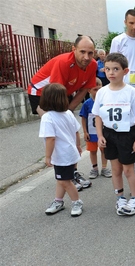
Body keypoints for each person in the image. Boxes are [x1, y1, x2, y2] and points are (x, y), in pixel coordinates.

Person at [27, 35, 96, 190]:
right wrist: (64, 113)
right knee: (57, 132)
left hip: (63, 92)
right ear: (74, 50)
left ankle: (73, 173)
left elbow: (85, 89)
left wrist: (69, 110)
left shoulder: (92, 65)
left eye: (90, 53)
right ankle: (65, 176)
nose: (86, 57)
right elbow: (56, 93)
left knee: (70, 130)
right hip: (42, 93)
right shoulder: (64, 63)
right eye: (82, 52)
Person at [92, 53, 135, 216]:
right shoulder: (101, 92)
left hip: (127, 134)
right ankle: (120, 196)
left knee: (128, 169)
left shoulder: (132, 92)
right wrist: (100, 135)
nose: (111, 73)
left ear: (125, 71)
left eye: (116, 69)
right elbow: (98, 116)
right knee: (115, 169)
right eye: (107, 69)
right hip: (109, 134)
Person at [39, 83, 83, 217]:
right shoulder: (68, 113)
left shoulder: (47, 117)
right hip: (70, 152)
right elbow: (76, 132)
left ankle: (77, 202)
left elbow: (50, 139)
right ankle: (58, 201)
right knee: (61, 179)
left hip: (61, 155)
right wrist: (78, 146)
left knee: (65, 181)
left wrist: (47, 156)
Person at [79, 78, 112, 179]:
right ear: (89, 90)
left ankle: (104, 168)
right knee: (92, 151)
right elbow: (84, 118)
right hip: (92, 133)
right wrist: (85, 132)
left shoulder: (106, 102)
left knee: (104, 151)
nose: (97, 92)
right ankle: (94, 168)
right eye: (95, 89)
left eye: (99, 89)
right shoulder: (87, 103)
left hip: (103, 133)